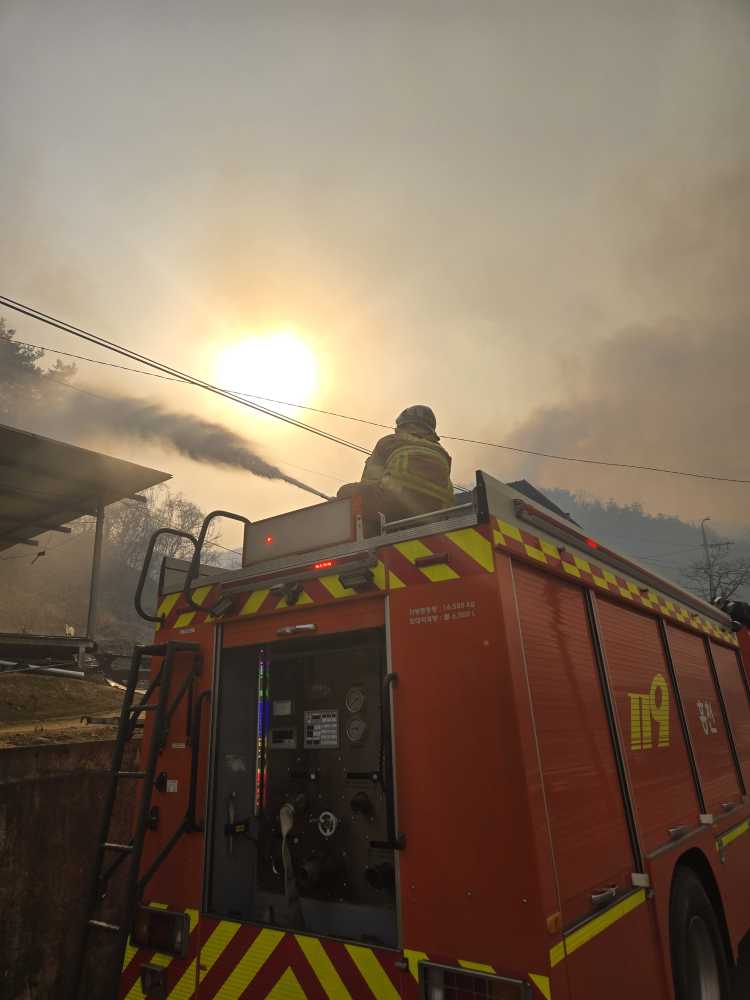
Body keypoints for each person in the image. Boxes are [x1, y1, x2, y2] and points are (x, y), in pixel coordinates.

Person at [337, 405, 454, 528]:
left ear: (403, 424)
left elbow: (370, 479)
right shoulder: (442, 454)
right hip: (435, 513)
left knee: (345, 492)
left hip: (397, 506)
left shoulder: (390, 441)